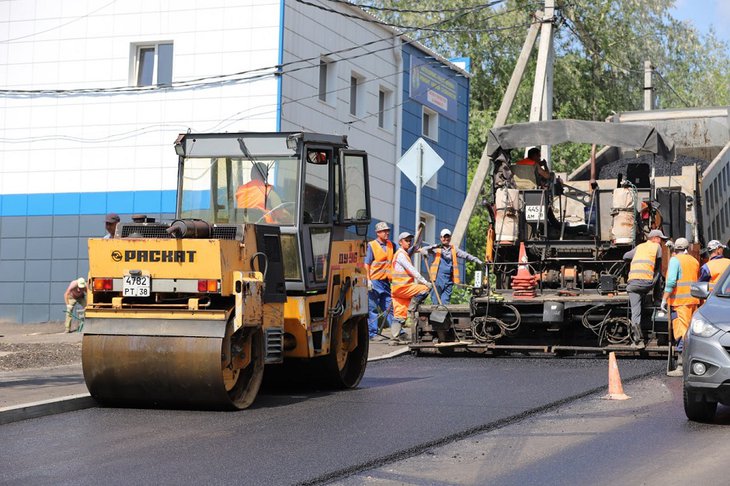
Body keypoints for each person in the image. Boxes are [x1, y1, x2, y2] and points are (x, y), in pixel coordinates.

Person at [660, 238, 699, 376]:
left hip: (679, 302)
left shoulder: (675, 260)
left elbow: (670, 282)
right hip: (693, 301)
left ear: (676, 248)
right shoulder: (694, 261)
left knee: (681, 331)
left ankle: (681, 365)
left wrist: (664, 299)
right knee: (690, 331)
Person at [623, 229, 668, 346]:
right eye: (660, 239)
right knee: (658, 271)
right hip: (647, 284)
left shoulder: (639, 247)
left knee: (635, 313)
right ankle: (657, 299)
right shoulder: (657, 247)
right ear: (655, 238)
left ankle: (638, 341)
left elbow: (625, 256)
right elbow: (658, 265)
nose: (661, 242)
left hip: (632, 285)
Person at [420, 228, 483, 304]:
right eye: (444, 237)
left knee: (445, 302)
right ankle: (434, 314)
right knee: (435, 301)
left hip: (448, 280)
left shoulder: (454, 249)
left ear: (450, 238)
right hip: (437, 280)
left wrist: (476, 259)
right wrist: (432, 248)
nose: (446, 239)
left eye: (448, 237)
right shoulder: (436, 248)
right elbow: (423, 249)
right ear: (441, 238)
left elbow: (465, 255)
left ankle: (443, 315)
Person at [391, 232, 432, 346]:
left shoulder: (402, 254)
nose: (408, 242)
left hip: (397, 289)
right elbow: (412, 270)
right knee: (424, 289)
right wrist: (425, 282)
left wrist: (419, 250)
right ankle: (412, 308)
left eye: (409, 240)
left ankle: (394, 338)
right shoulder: (401, 255)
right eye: (406, 240)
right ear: (400, 242)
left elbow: (413, 250)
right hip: (403, 287)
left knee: (399, 314)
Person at [364, 221, 394, 339]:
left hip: (385, 282)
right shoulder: (372, 245)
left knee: (389, 307)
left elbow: (403, 252)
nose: (387, 233)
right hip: (374, 281)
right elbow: (366, 264)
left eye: (388, 231)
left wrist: (416, 248)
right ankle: (372, 334)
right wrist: (368, 280)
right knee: (372, 309)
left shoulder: (391, 245)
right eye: (384, 231)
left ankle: (397, 332)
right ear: (378, 233)